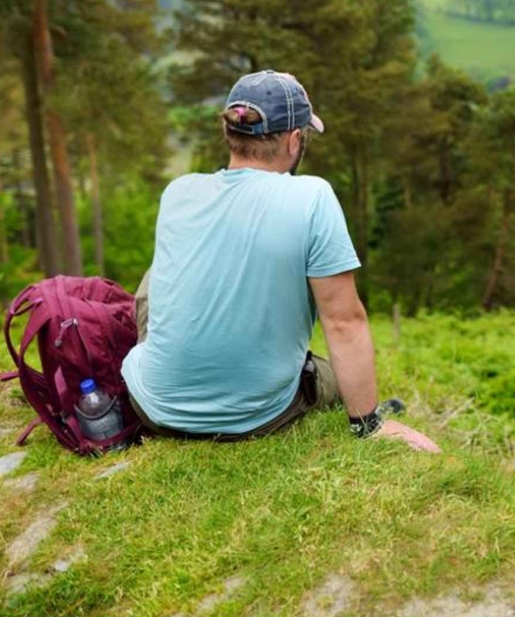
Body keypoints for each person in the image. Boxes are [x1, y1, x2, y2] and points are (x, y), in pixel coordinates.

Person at [121, 70, 439, 452]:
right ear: (293, 141)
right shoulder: (312, 197)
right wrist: (368, 425)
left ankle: (182, 369)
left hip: (152, 406)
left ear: (230, 134)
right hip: (255, 417)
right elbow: (343, 321)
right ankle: (363, 413)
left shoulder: (179, 192)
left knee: (157, 273)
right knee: (326, 378)